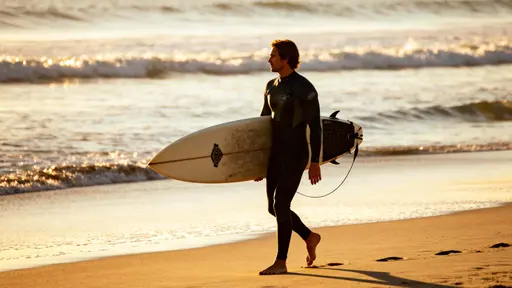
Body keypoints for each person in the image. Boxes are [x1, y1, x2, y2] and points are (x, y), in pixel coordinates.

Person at [255, 39, 322, 275]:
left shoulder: (304, 88)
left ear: (285, 59)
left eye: (273, 55)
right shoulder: (270, 86)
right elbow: (264, 125)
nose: (269, 59)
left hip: (296, 154)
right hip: (275, 155)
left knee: (281, 204)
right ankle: (309, 236)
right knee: (274, 209)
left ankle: (281, 262)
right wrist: (257, 162)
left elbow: (315, 126)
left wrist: (315, 162)